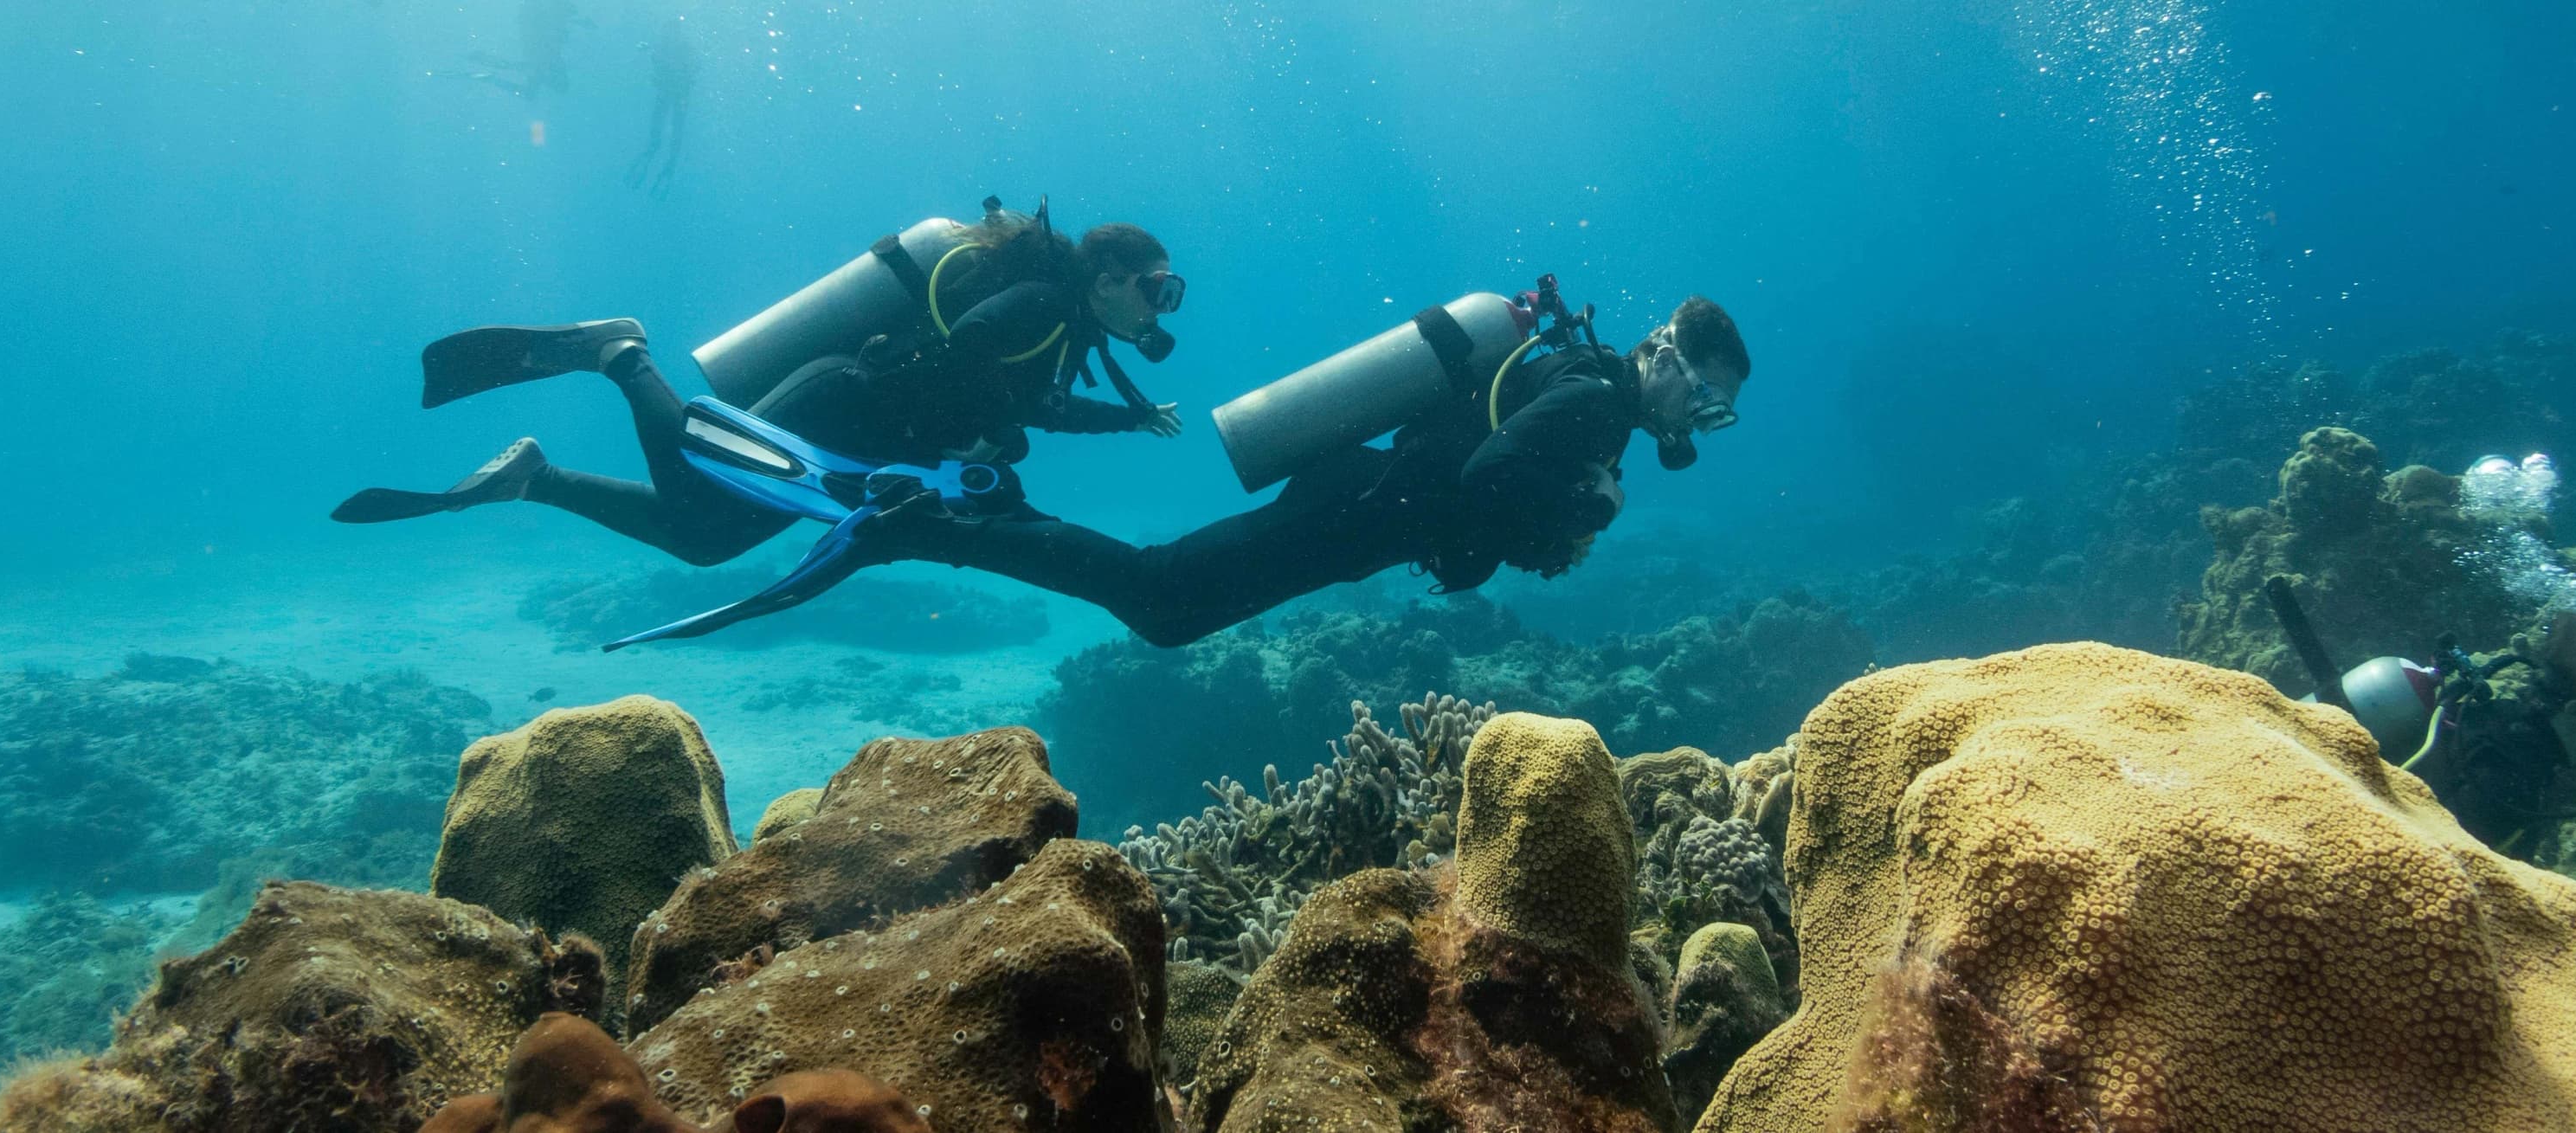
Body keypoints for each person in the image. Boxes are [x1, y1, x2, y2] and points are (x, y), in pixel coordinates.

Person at [834, 294, 1752, 647]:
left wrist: (1571, 508)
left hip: (1365, 513)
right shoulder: (1596, 395)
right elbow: (1492, 470)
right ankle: (935, 521)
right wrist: (1587, 510)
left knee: (1168, 620)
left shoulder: (1599, 402)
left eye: (1718, 412)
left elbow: (1503, 480)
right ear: (1665, 359)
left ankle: (972, 518)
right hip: (1358, 506)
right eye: (1706, 397)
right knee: (1157, 591)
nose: (1703, 421)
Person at [329, 207, 1188, 570]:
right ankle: (621, 354)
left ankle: (534, 478)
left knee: (703, 541)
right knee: (697, 493)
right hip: (839, 406)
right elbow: (970, 346)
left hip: (852, 448)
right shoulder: (1046, 300)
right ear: (1106, 275)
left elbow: (1036, 403)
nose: (1159, 303)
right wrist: (1003, 438)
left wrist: (1129, 422)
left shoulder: (1062, 331)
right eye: (1155, 284)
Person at [622, 16, 697, 197]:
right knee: (663, 127)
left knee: (674, 129)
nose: (670, 35)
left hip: (678, 94)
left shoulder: (682, 48)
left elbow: (691, 68)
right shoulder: (664, 46)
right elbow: (657, 64)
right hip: (669, 93)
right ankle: (659, 153)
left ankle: (666, 159)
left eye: (672, 31)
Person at [470, 0, 583, 98]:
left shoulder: (546, 14)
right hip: (541, 47)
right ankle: (487, 69)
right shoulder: (546, 15)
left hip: (541, 47)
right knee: (533, 85)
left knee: (532, 87)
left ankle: (487, 69)